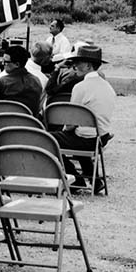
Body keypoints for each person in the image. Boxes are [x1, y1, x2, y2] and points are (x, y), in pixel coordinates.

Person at [50, 44, 115, 192]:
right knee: (76, 135)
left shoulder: (81, 87)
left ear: (87, 65)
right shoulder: (108, 87)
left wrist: (65, 130)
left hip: (87, 138)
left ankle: (74, 178)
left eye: (78, 63)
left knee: (49, 139)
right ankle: (94, 179)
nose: (75, 66)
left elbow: (72, 122)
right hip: (101, 136)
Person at [0, 44, 42, 115]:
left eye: (5, 62)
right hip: (29, 122)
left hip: (4, 122)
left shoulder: (4, 81)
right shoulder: (36, 81)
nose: (2, 63)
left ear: (17, 64)